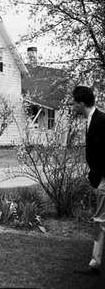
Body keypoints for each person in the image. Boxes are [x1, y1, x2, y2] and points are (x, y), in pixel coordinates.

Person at [73, 86, 105, 275]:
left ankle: (95, 263)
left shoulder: (102, 120)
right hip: (98, 177)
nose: (72, 106)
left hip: (103, 178)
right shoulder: (91, 119)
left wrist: (100, 175)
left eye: (73, 102)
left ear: (81, 103)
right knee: (101, 220)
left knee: (100, 220)